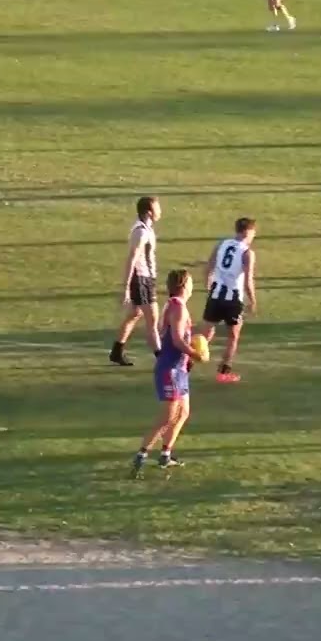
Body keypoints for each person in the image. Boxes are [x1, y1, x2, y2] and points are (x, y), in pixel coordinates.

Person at [132, 269, 207, 476]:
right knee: (168, 416)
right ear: (184, 285)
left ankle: (165, 455)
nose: (193, 286)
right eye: (191, 282)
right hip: (170, 369)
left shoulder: (177, 306)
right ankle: (141, 455)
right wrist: (195, 354)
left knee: (183, 413)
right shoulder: (177, 308)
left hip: (179, 368)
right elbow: (176, 340)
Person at [200, 217, 259, 383]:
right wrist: (253, 301)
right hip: (233, 299)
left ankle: (185, 363)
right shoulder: (248, 253)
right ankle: (223, 373)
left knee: (206, 333)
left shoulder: (222, 244)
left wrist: (208, 284)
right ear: (248, 232)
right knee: (233, 336)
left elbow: (209, 265)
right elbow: (248, 281)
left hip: (216, 293)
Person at [109, 196, 163, 367]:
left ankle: (116, 351)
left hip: (146, 279)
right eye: (157, 208)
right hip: (142, 279)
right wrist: (125, 287)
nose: (160, 211)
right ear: (149, 212)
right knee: (152, 320)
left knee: (135, 314)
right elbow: (132, 258)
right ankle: (162, 359)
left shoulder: (146, 228)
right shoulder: (141, 232)